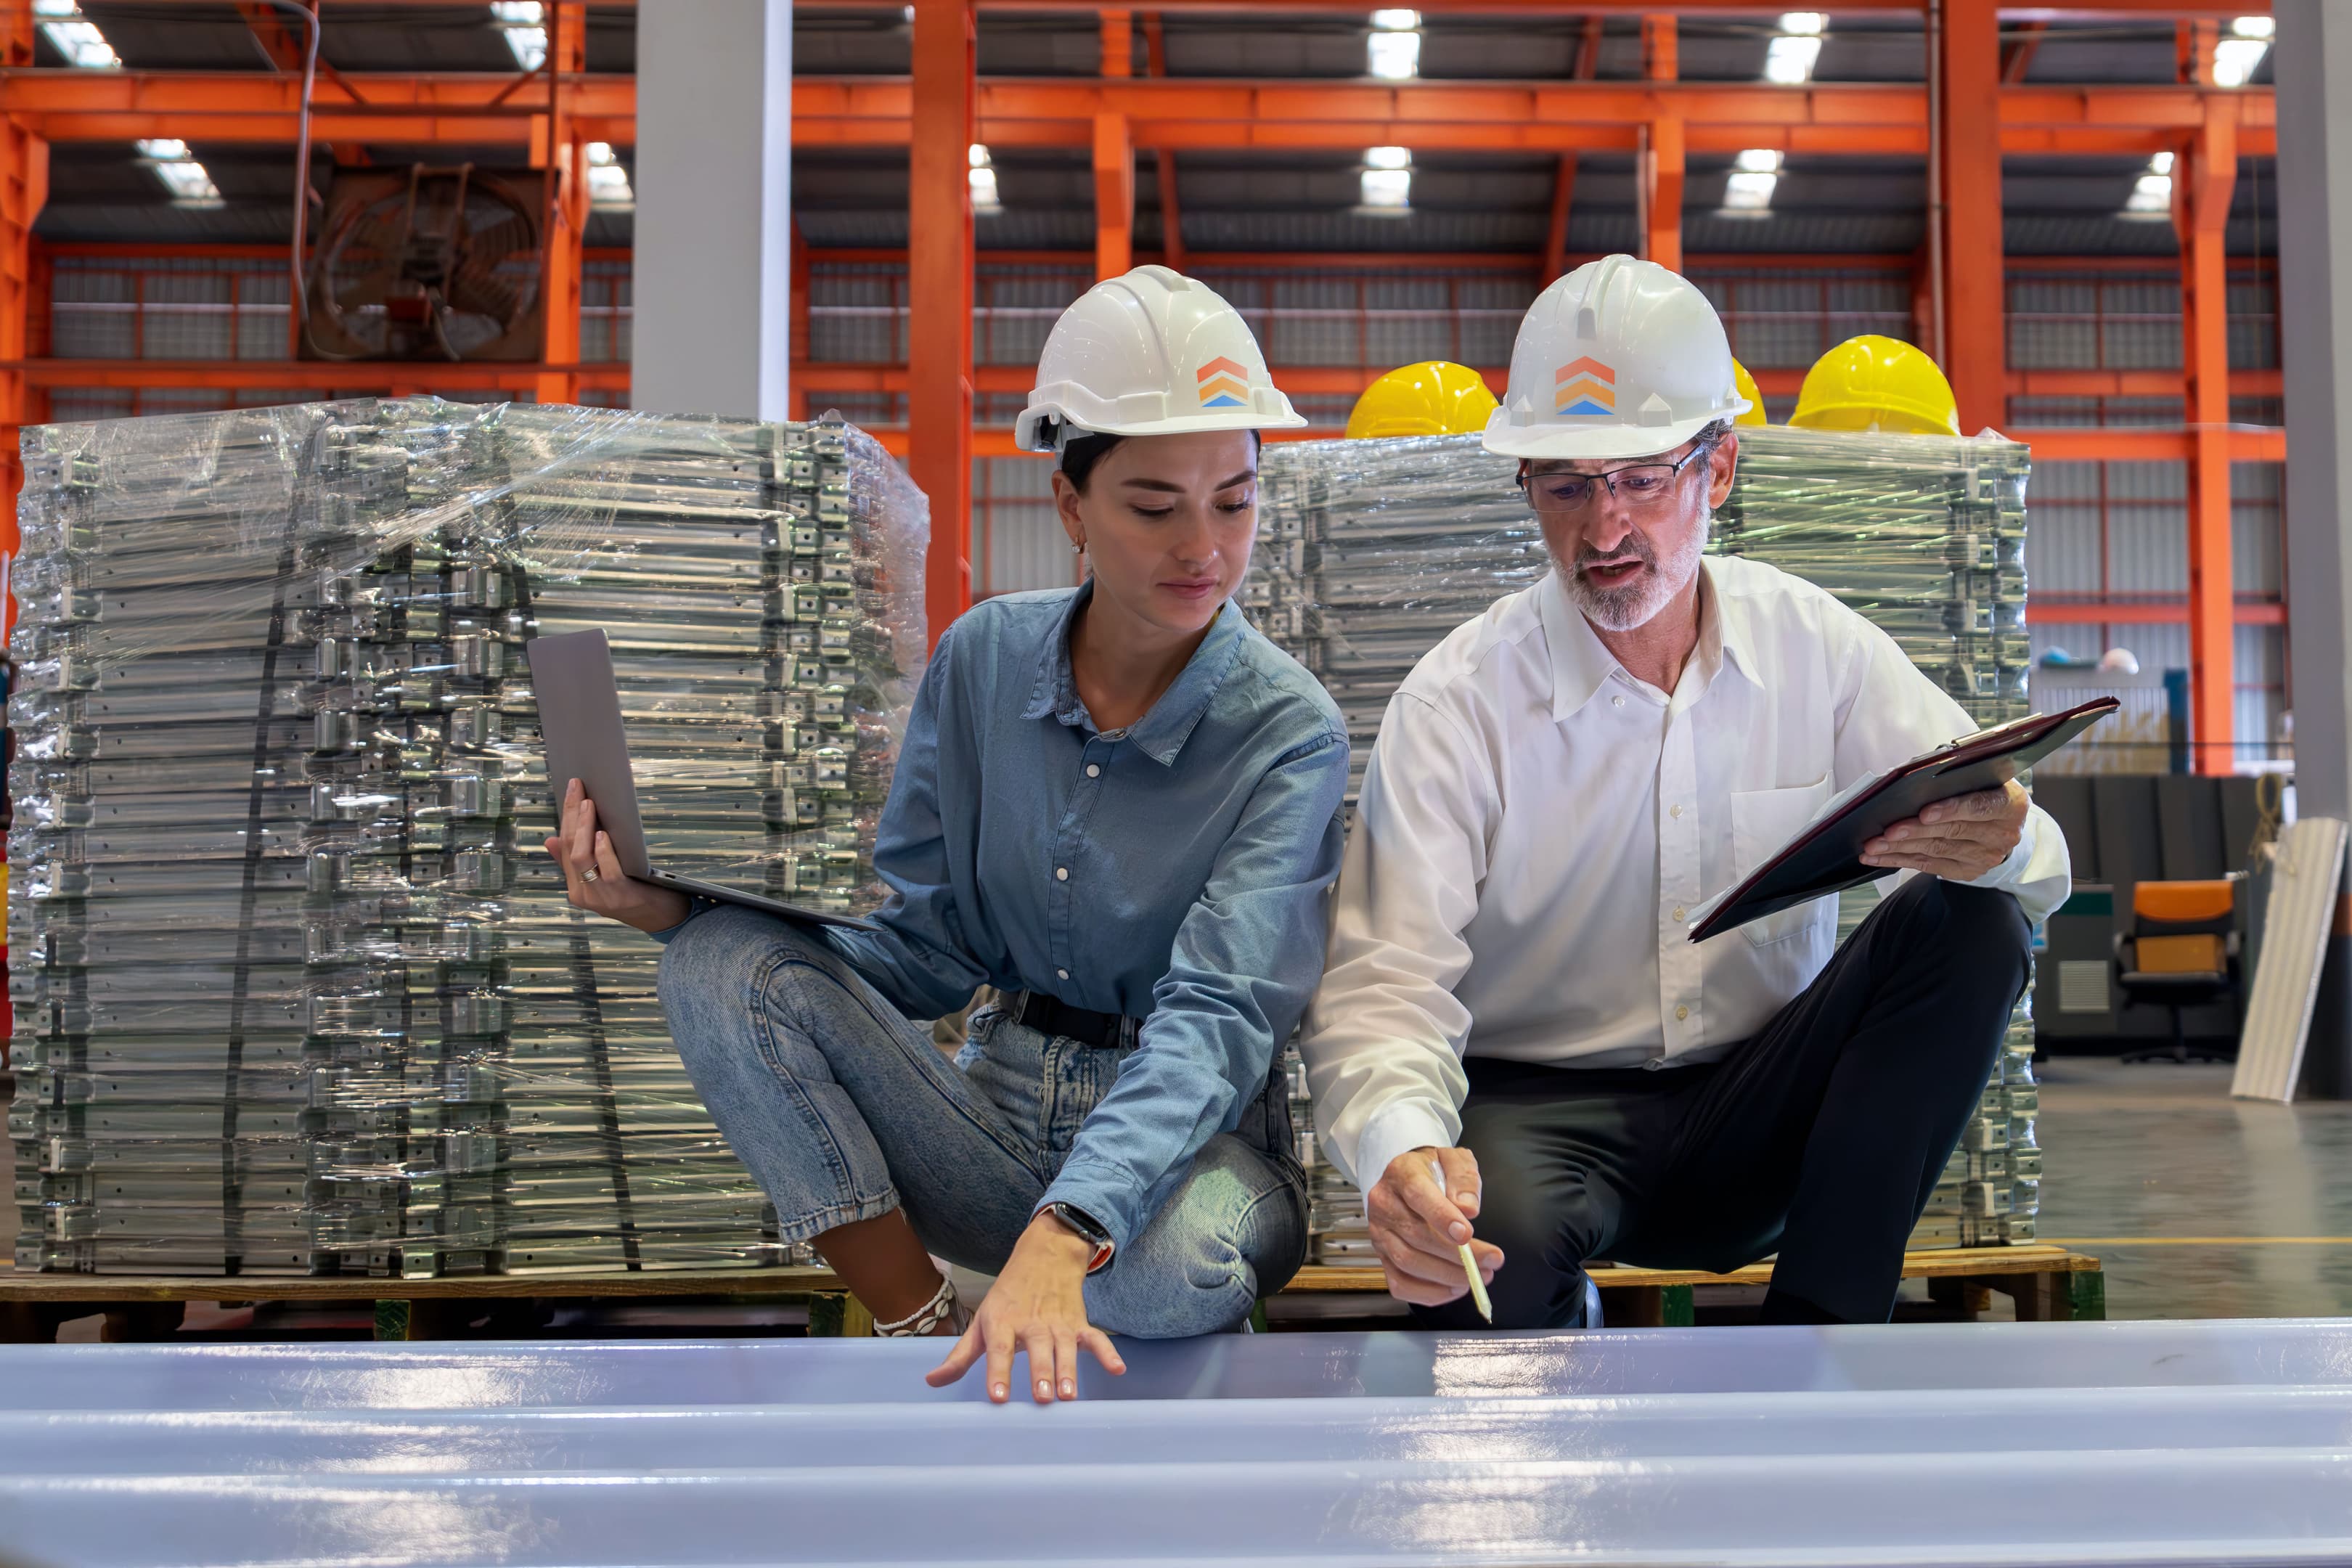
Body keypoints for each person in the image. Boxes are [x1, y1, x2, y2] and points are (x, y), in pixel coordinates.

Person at [548, 265, 1348, 1401]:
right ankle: (920, 1333)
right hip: (993, 1114)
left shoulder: (1288, 731)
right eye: (1155, 504)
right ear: (1070, 504)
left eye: (1236, 498)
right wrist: (667, 903)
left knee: (1154, 1275)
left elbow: (1218, 1022)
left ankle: (1047, 1275)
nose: (1204, 547)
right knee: (717, 964)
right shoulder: (983, 662)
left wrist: (1072, 1230)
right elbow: (920, 951)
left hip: (1195, 1159)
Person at [1298, 256, 2073, 1330]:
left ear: (1720, 470)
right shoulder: (1458, 706)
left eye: (1643, 478)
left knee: (1975, 925)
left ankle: (1823, 1332)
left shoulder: (1819, 652)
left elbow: (2031, 855)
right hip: (1538, 1119)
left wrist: (2008, 841)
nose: (1604, 530)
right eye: (1564, 485)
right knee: (1479, 1284)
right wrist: (1405, 1153)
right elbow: (1385, 986)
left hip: (1761, 1102)